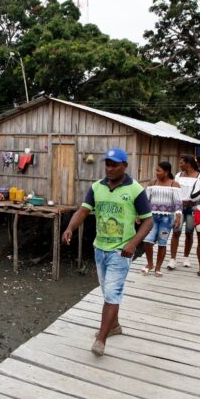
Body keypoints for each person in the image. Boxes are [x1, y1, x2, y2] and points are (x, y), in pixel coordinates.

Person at [62, 147, 153, 357]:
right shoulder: (96, 187)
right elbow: (83, 210)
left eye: (115, 164)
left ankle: (101, 340)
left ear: (125, 166)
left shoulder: (135, 189)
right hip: (99, 249)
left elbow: (148, 220)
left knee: (112, 293)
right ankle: (115, 326)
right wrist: (69, 228)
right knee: (108, 292)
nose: (110, 168)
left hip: (121, 252)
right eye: (108, 164)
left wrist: (133, 244)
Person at [141, 162, 182, 277]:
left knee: (162, 243)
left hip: (167, 219)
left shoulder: (174, 184)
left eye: (159, 171)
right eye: (156, 170)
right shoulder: (152, 183)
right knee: (148, 241)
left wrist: (178, 217)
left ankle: (158, 267)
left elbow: (178, 203)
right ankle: (150, 264)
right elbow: (145, 200)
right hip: (152, 218)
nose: (156, 173)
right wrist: (140, 214)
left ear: (166, 172)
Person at [168, 155, 200, 270]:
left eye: (182, 163)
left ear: (188, 164)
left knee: (189, 233)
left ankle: (186, 257)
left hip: (193, 208)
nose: (180, 165)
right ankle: (172, 259)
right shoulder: (178, 175)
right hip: (179, 208)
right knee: (176, 232)